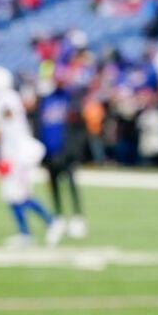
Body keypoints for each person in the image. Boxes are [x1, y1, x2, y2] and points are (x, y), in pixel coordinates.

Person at [0, 65, 66, 246]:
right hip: (10, 152)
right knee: (10, 193)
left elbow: (10, 127)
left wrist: (6, 158)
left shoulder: (6, 99)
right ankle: (26, 233)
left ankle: (51, 221)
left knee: (19, 193)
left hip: (18, 153)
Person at [37, 77, 88, 237]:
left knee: (71, 184)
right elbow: (40, 126)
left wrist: (72, 151)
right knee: (53, 187)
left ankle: (77, 218)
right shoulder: (44, 101)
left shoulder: (71, 99)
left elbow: (79, 128)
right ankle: (58, 217)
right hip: (49, 152)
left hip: (67, 153)